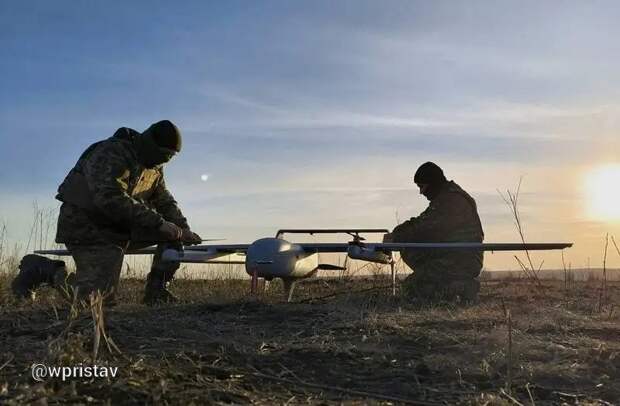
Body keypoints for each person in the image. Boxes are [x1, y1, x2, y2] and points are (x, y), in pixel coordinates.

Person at [12, 120, 202, 306]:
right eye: (163, 154)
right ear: (151, 146)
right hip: (85, 225)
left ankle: (157, 292)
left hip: (119, 225)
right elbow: (109, 198)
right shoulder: (110, 153)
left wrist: (183, 230)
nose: (165, 160)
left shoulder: (153, 166)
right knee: (95, 300)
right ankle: (44, 270)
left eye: (170, 156)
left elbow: (164, 201)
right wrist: (158, 223)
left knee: (172, 237)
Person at [384, 162, 484, 303]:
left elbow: (426, 229)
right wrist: (398, 232)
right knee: (411, 257)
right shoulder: (446, 198)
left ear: (432, 183)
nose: (421, 192)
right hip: (452, 255)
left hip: (461, 260)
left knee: (412, 288)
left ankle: (461, 288)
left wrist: (397, 237)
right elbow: (423, 222)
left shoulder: (452, 200)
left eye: (422, 187)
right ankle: (452, 287)